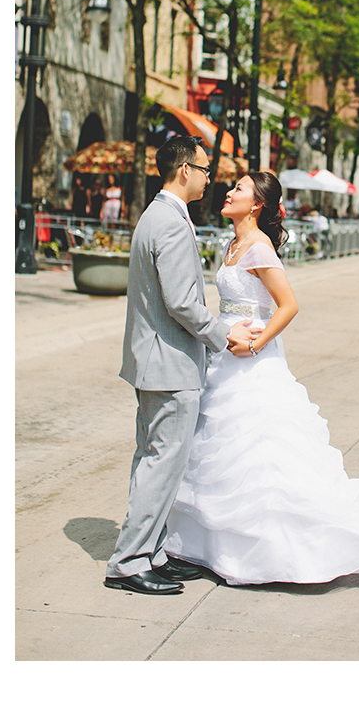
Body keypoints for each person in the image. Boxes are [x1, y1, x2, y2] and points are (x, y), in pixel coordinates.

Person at [163, 169, 359, 592]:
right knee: (218, 451)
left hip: (251, 361)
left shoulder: (259, 247)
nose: (229, 192)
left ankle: (273, 551)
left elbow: (288, 305)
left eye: (238, 188)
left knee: (262, 452)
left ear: (256, 204)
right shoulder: (232, 244)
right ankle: (217, 548)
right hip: (223, 358)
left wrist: (255, 343)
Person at [104, 136, 254, 596]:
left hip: (155, 361)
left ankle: (151, 552)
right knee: (162, 463)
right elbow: (183, 302)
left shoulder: (159, 215)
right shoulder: (168, 221)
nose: (211, 179)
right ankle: (129, 562)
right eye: (206, 170)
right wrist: (222, 336)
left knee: (153, 459)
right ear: (185, 170)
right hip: (168, 363)